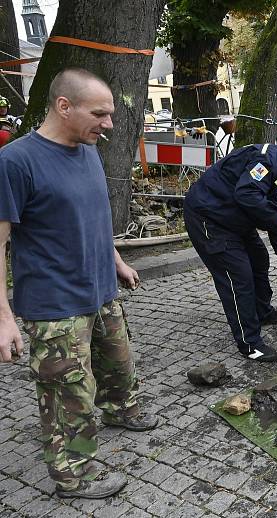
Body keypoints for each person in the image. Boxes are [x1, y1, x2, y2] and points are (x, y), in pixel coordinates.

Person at [0, 68, 159, 500]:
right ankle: (73, 476)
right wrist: (4, 317)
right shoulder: (15, 162)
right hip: (55, 306)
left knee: (118, 366)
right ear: (63, 106)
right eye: (100, 113)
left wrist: (117, 260)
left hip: (101, 289)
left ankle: (120, 411)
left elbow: (93, 217)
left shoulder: (87, 148)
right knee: (69, 396)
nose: (110, 124)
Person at [183, 128, 277, 361]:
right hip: (209, 217)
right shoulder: (264, 162)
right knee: (238, 276)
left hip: (237, 218)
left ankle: (262, 312)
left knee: (259, 259)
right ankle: (250, 344)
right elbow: (248, 195)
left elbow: (275, 215)